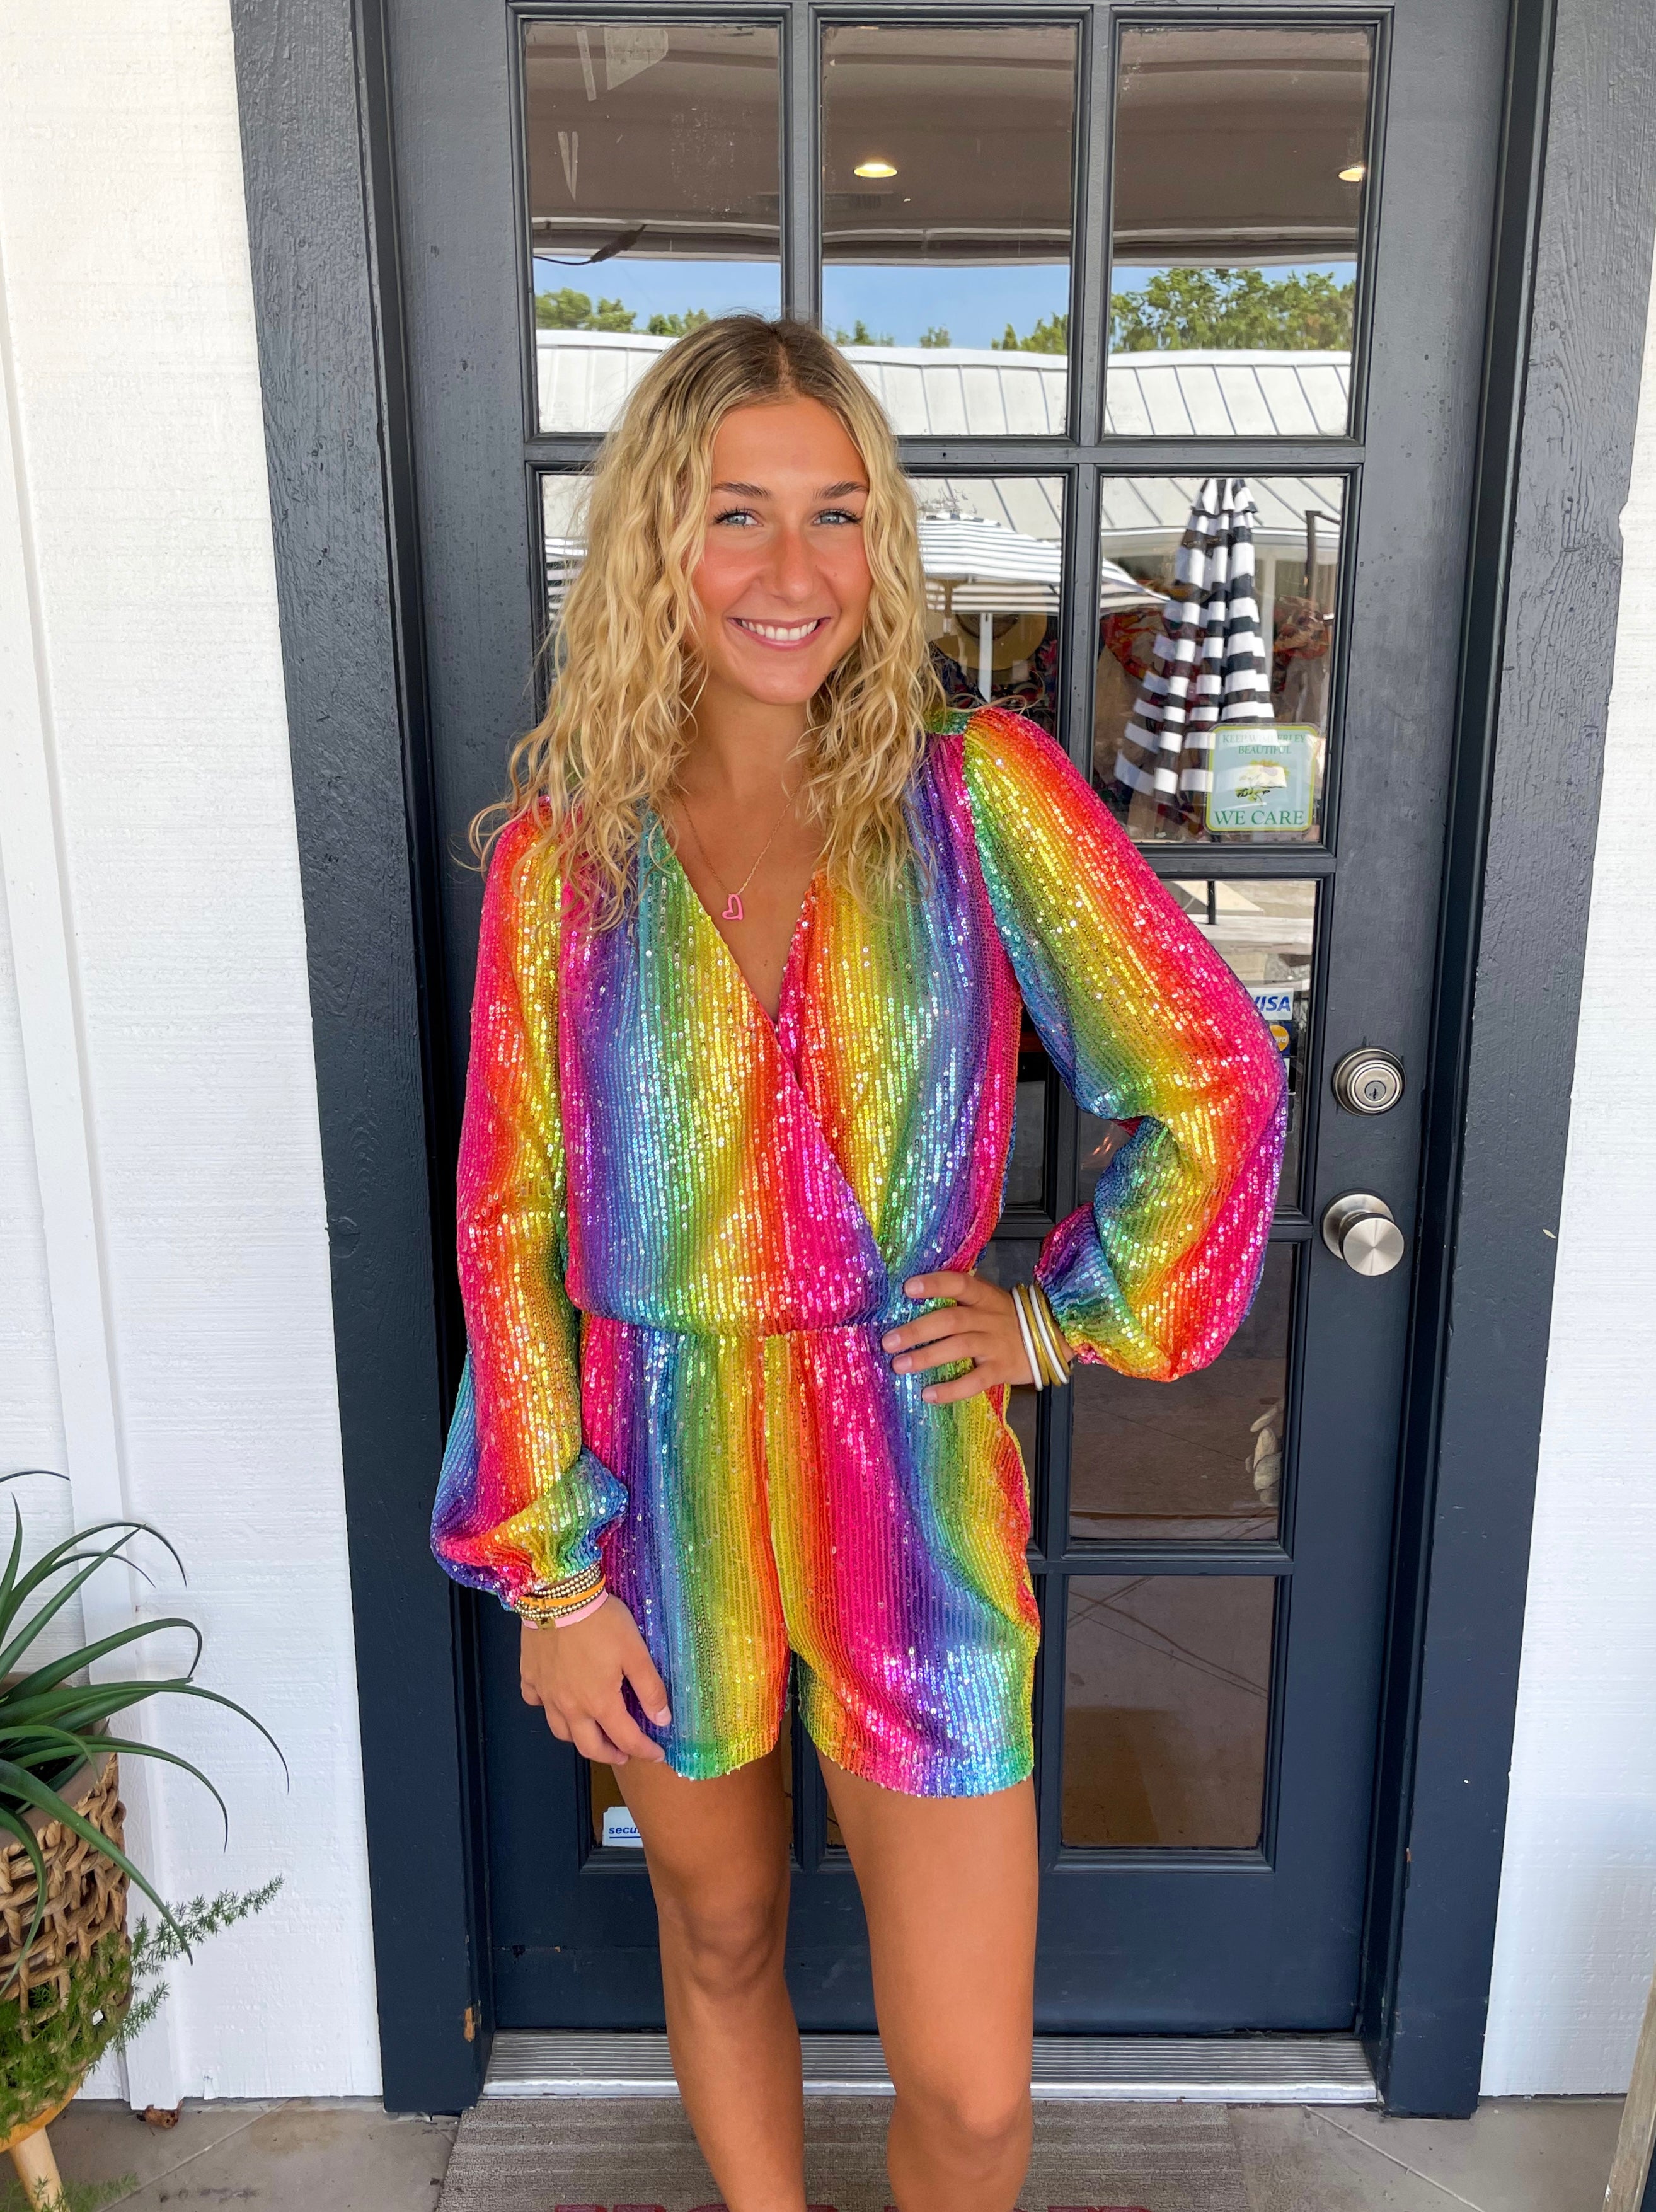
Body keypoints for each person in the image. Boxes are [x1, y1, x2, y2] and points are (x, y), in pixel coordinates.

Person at [431, 316, 1285, 2212]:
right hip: (652, 1476)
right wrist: (548, 1572)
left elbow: (1212, 1069)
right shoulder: (567, 859)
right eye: (738, 512)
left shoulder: (975, 794)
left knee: (970, 2090)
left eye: (837, 513)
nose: (793, 567)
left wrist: (1062, 1317)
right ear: (659, 536)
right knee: (720, 1928)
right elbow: (509, 1222)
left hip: (903, 1458)